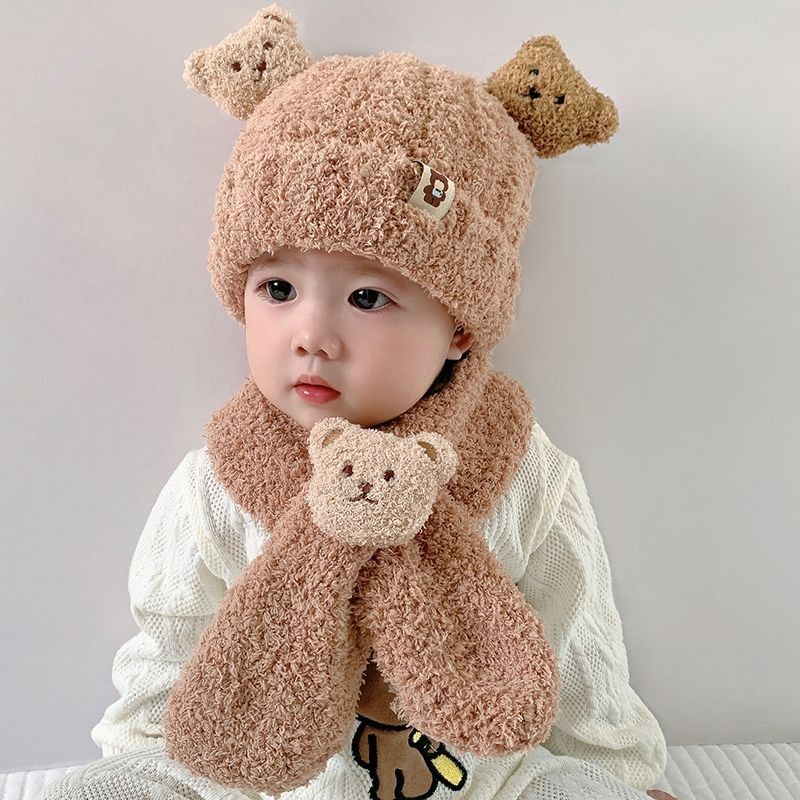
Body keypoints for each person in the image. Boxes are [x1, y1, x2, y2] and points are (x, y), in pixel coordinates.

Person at [43, 7, 679, 800]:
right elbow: (170, 646)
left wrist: (617, 772)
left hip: (487, 784)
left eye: (369, 297)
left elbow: (580, 643)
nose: (312, 335)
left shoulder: (521, 471)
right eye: (278, 288)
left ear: (459, 328)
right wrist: (141, 757)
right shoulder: (219, 480)